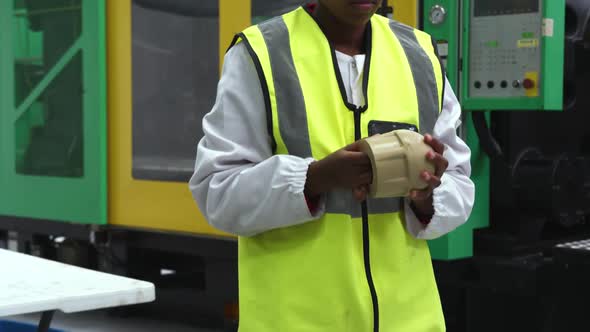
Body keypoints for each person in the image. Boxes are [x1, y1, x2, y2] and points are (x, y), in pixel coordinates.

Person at [190, 0, 474, 331]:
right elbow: (218, 192)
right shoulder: (262, 53)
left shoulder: (419, 54)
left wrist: (427, 198)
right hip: (296, 321)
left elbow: (460, 182)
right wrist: (313, 179)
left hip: (409, 320)